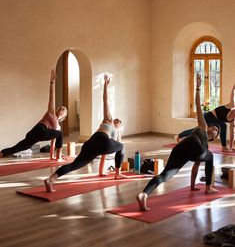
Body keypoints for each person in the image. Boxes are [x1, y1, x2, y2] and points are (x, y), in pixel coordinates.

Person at [136, 74, 219, 211]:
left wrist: (192, 186)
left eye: (216, 130)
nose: (213, 128)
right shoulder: (202, 127)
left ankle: (144, 194)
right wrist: (198, 88)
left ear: (215, 137)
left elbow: (196, 167)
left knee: (166, 175)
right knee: (210, 157)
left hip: (184, 150)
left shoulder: (204, 148)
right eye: (213, 126)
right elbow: (198, 106)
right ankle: (209, 187)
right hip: (187, 145)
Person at [44, 73, 126, 192]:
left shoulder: (115, 138)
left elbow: (104, 154)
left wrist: (101, 171)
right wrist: (105, 86)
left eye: (119, 122)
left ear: (120, 128)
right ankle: (117, 174)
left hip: (93, 144)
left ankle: (51, 179)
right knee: (122, 147)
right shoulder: (108, 120)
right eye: (117, 120)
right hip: (98, 139)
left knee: (75, 165)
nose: (117, 121)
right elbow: (106, 101)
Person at [0, 69, 67, 161]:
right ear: (56, 109)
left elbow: (53, 143)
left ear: (64, 116)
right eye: (60, 107)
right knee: (60, 134)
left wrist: (52, 157)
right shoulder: (51, 113)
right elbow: (51, 97)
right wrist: (52, 82)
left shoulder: (58, 128)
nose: (61, 109)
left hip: (34, 135)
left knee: (18, 148)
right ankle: (59, 157)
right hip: (40, 129)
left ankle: (2, 153)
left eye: (64, 109)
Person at [175, 83, 235, 151]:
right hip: (209, 116)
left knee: (197, 130)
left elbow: (232, 133)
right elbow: (232, 95)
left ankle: (179, 135)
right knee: (222, 125)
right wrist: (233, 86)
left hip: (215, 120)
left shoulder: (232, 120)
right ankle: (224, 147)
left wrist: (231, 146)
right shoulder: (231, 105)